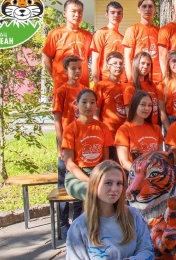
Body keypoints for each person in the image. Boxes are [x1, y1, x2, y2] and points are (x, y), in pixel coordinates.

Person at [53, 55, 87, 237]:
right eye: (73, 68)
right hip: (66, 142)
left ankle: (78, 220)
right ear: (66, 70)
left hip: (82, 142)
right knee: (63, 183)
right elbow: (57, 119)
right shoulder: (62, 91)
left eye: (79, 68)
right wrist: (60, 144)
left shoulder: (84, 90)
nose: (77, 71)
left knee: (79, 179)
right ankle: (63, 223)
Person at [62, 89, 114, 204]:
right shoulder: (70, 129)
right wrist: (90, 181)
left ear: (96, 105)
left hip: (98, 173)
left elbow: (105, 160)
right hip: (76, 177)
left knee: (115, 191)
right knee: (93, 192)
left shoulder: (103, 128)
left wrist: (100, 178)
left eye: (92, 102)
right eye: (84, 102)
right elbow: (70, 163)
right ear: (77, 105)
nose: (88, 106)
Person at [42, 0, 91, 92]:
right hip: (62, 85)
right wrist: (56, 78)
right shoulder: (56, 34)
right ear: (64, 13)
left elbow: (86, 58)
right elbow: (47, 59)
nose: (77, 15)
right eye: (73, 11)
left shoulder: (87, 35)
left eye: (80, 12)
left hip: (82, 86)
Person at [115, 90, 164, 172]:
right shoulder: (124, 130)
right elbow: (124, 162)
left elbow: (160, 157)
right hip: (134, 174)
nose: (147, 108)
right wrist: (141, 173)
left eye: (150, 105)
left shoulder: (156, 128)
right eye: (143, 105)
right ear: (135, 105)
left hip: (154, 174)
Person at [93, 52, 128, 162]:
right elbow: (95, 112)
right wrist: (100, 132)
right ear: (108, 66)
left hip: (123, 136)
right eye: (114, 63)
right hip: (108, 135)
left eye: (121, 63)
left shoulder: (127, 87)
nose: (118, 66)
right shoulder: (101, 85)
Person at [124, 52, 167, 131]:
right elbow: (129, 114)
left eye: (148, 64)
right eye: (142, 63)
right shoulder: (130, 87)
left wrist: (168, 130)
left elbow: (161, 111)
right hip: (139, 130)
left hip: (155, 128)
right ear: (136, 64)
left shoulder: (152, 85)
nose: (145, 66)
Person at [123, 0, 161, 84]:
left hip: (157, 79)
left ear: (155, 10)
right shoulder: (132, 29)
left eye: (150, 6)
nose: (147, 9)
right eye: (144, 6)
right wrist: (131, 79)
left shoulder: (159, 31)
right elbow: (127, 56)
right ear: (138, 10)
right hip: (139, 79)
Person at [91, 1, 125, 83]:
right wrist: (97, 83)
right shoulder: (100, 33)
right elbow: (95, 60)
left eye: (119, 13)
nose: (116, 15)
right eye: (112, 12)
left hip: (121, 81)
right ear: (106, 14)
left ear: (122, 16)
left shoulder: (123, 37)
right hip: (106, 80)